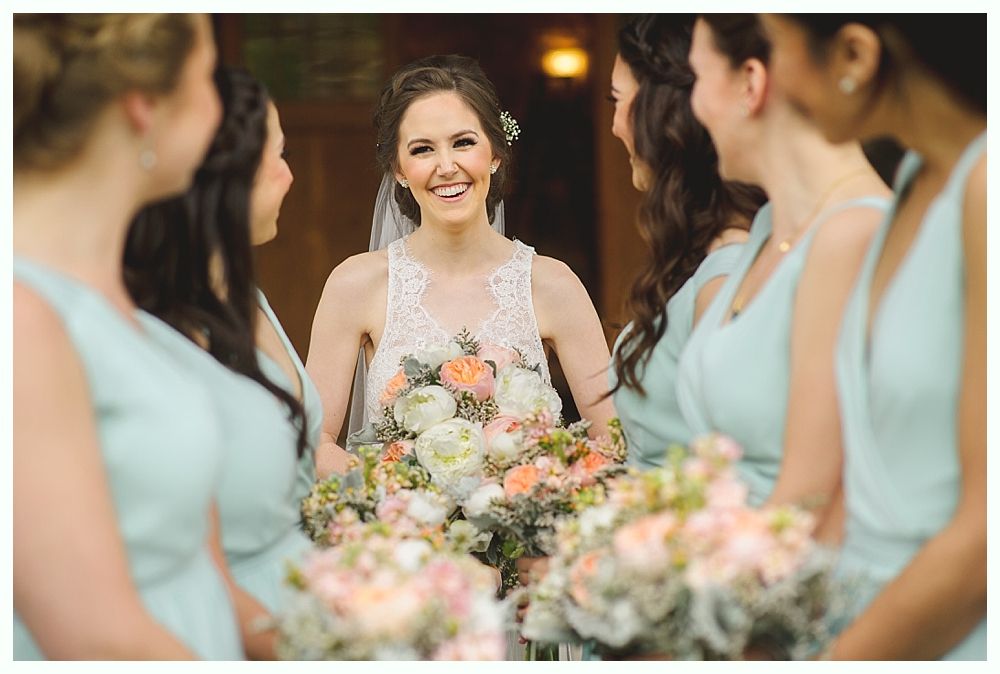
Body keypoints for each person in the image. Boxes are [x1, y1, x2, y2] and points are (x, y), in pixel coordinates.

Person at [13, 14, 243, 659]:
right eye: (206, 78)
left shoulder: (106, 291)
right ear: (144, 107)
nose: (219, 108)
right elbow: (93, 637)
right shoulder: (22, 317)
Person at [759, 14, 985, 659]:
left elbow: (984, 533)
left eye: (776, 46)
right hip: (856, 616)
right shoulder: (914, 176)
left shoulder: (984, 189)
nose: (772, 79)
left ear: (854, 53)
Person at [306, 54, 616, 477]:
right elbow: (315, 442)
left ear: (495, 154)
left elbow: (611, 442)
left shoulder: (553, 284)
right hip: (401, 532)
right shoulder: (355, 284)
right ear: (399, 169)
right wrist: (398, 497)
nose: (446, 166)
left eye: (463, 142)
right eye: (422, 149)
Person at [124, 67, 323, 659]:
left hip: (303, 601)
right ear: (228, 180)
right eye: (278, 156)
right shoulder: (154, 337)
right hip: (233, 632)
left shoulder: (248, 301)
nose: (290, 174)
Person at [675, 15, 891, 532]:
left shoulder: (855, 231)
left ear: (751, 83)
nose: (693, 105)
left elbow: (815, 499)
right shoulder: (768, 229)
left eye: (698, 78)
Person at [607, 14, 765, 469]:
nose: (616, 126)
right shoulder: (697, 258)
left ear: (665, 112)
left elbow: (740, 462)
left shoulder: (727, 271)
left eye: (619, 102)